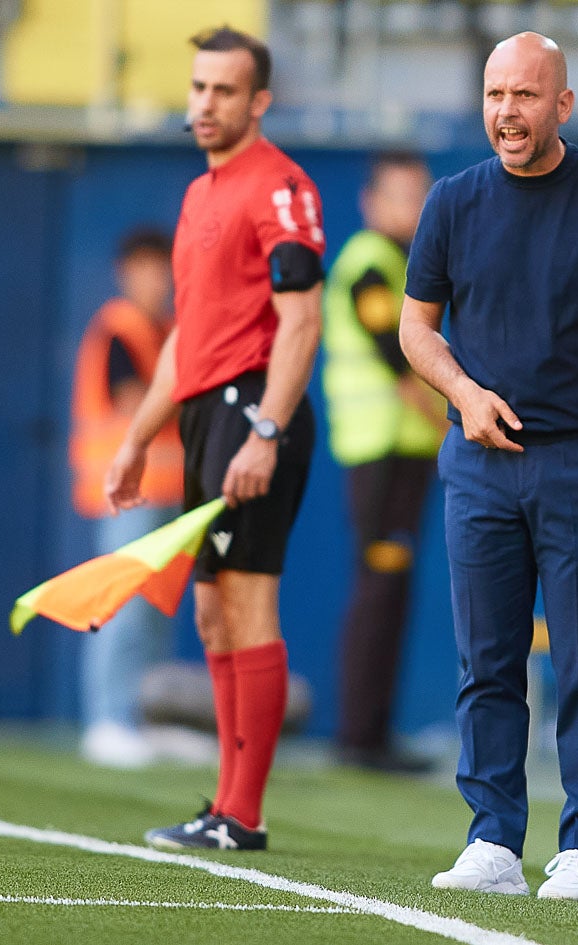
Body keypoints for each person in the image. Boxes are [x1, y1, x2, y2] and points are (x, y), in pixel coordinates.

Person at [400, 32, 578, 901]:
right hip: (476, 462)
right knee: (487, 658)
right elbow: (416, 329)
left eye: (523, 95)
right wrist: (465, 394)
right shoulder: (450, 202)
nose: (506, 112)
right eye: (493, 95)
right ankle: (492, 840)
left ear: (562, 104)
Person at [104, 25, 326, 853]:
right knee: (209, 615)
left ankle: (244, 813)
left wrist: (264, 430)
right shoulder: (200, 194)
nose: (205, 104)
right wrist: (137, 440)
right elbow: (184, 338)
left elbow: (302, 322)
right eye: (198, 88)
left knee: (245, 603)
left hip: (252, 412)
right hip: (204, 418)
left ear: (258, 100)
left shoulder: (281, 188)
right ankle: (226, 807)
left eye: (223, 91)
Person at [322, 152, 448, 774]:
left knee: (390, 589)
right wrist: (453, 434)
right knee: (379, 587)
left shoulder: (401, 265)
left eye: (420, 195)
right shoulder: (369, 266)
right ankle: (359, 736)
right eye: (400, 195)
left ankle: (371, 732)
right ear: (371, 202)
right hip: (381, 454)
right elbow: (397, 365)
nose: (412, 207)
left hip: (402, 455)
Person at [70, 228, 189, 768]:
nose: (155, 280)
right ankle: (107, 719)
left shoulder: (166, 330)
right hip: (124, 494)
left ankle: (144, 718)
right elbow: (136, 400)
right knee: (121, 609)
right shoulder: (118, 329)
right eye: (144, 269)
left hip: (167, 492)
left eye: (162, 269)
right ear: (125, 273)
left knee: (155, 611)